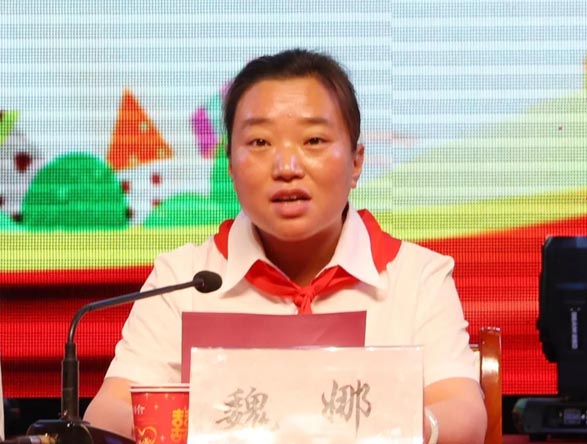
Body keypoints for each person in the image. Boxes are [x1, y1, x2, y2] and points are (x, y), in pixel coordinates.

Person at [84, 48, 487, 444]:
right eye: (260, 142)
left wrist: (393, 425)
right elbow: (108, 411)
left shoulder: (416, 276)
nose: (287, 168)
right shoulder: (184, 278)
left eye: (313, 140)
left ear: (356, 162)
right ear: (230, 165)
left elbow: (463, 410)